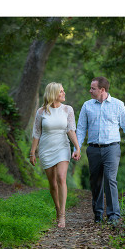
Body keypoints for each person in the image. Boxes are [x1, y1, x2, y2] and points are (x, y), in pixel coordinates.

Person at [74, 76, 125, 224]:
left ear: (102, 90)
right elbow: (81, 128)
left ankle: (114, 215)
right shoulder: (87, 106)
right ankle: (98, 214)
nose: (90, 90)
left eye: (93, 88)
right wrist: (77, 147)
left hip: (112, 148)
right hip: (93, 149)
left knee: (110, 179)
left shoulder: (118, 105)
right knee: (95, 181)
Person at [29, 82, 80, 228]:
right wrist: (32, 153)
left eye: (63, 91)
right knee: (52, 184)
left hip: (63, 146)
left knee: (61, 177)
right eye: (61, 92)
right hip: (46, 148)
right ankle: (58, 210)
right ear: (53, 94)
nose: (64, 93)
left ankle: (62, 215)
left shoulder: (68, 109)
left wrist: (77, 147)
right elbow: (37, 133)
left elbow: (71, 130)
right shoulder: (41, 112)